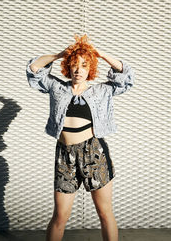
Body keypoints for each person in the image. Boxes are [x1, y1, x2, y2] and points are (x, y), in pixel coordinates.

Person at [26, 34, 134, 241]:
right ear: (68, 66)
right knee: (60, 216)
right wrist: (58, 55)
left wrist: (100, 55)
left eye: (84, 65)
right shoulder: (57, 87)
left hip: (93, 153)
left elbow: (126, 75)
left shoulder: (101, 91)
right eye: (74, 64)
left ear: (90, 69)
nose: (78, 70)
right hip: (64, 156)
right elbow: (33, 70)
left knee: (104, 213)